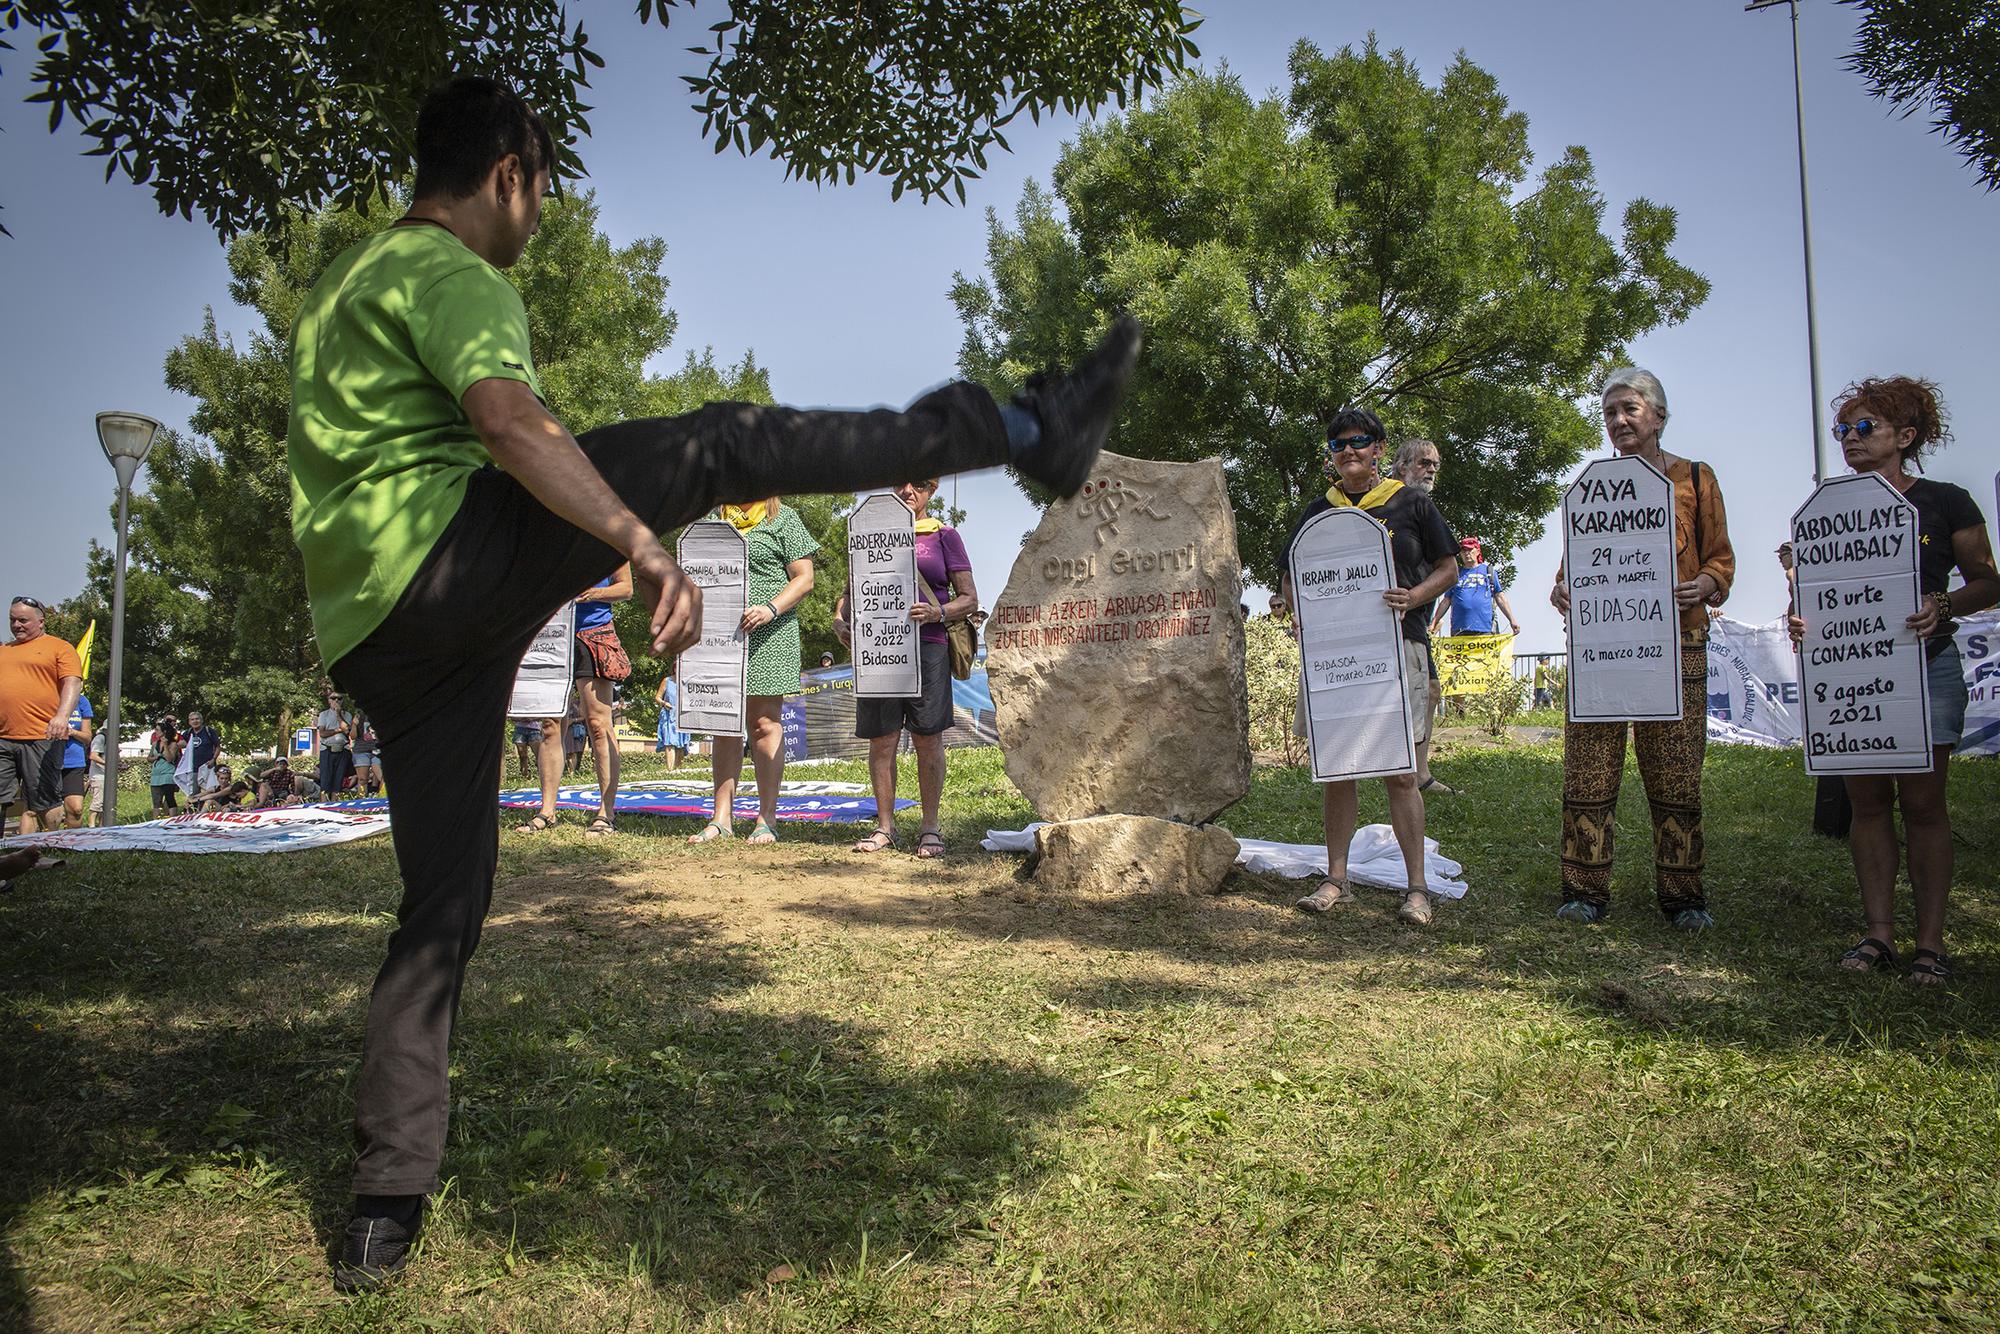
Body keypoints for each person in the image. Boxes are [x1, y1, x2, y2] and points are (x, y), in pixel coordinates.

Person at [288, 76, 1136, 1292]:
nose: (538, 223)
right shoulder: (452, 272)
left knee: (443, 901)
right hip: (440, 561)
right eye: (541, 193)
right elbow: (511, 422)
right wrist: (636, 538)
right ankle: (1021, 429)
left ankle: (384, 1198)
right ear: (508, 172)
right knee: (722, 443)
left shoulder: (334, 291)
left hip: (380, 633)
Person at [1788, 377, 1998, 985]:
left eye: (1864, 428)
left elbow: (1988, 578)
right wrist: (1805, 620)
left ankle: (1929, 944)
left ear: (1904, 437)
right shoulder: (1829, 509)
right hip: (1852, 677)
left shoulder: (1946, 500)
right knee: (1867, 803)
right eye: (1842, 430)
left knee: (1925, 805)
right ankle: (1879, 933)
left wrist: (1945, 605)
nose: (1850, 440)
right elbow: (1819, 595)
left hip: (1924, 669)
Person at [1551, 366, 1735, 930]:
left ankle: (1683, 897)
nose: (1619, 420)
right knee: (1589, 770)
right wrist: (1562, 589)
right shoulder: (1593, 489)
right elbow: (1574, 567)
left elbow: (1720, 560)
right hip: (1602, 652)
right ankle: (1584, 890)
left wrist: (1705, 584)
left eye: (1630, 409)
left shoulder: (1694, 479)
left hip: (1679, 644)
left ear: (1658, 416)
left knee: (1676, 773)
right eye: (1610, 412)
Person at [1280, 410, 1459, 926]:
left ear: (1380, 449)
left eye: (1359, 441)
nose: (1349, 450)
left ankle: (1418, 888)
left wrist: (1415, 595)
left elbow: (1449, 567)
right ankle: (1337, 879)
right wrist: (1295, 608)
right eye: (1338, 444)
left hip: (1398, 646)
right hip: (1335, 655)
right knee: (1339, 768)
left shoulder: (1411, 502)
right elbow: (1291, 573)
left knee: (1402, 772)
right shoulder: (1319, 509)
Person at [833, 479, 974, 860]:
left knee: (928, 738)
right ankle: (885, 827)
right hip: (879, 649)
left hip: (928, 648)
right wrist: (840, 622)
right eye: (902, 483)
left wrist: (937, 612)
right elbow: (848, 593)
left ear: (933, 490)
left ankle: (930, 828)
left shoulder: (945, 535)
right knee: (882, 739)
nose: (910, 490)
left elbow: (969, 598)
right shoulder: (869, 533)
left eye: (921, 484)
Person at [688, 500, 818, 846]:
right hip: (718, 638)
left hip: (770, 634)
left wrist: (770, 609)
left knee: (764, 723)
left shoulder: (783, 518)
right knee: (723, 724)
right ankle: (721, 819)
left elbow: (805, 578)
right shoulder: (712, 520)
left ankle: (767, 818)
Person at [514, 567, 632, 834]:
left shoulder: (611, 538)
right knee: (549, 724)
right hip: (552, 636)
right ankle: (547, 811)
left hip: (593, 635)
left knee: (598, 725)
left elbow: (626, 589)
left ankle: (606, 812)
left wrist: (594, 593)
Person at [1391, 438, 1453, 795]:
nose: (1430, 470)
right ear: (1401, 466)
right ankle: (1408, 773)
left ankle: (1419, 772)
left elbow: (1446, 566)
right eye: (1423, 463)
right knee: (1421, 690)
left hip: (1413, 612)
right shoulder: (1388, 504)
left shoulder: (1422, 507)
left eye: (1434, 465)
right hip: (1395, 614)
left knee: (1430, 689)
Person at [1, 597, 84, 837]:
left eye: (23, 620)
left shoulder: (59, 647)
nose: (17, 625)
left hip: (41, 736)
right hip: (3, 737)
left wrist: (62, 716)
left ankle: (53, 843)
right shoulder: (4, 650)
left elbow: (72, 682)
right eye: (12, 620)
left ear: (40, 621)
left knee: (44, 799)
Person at [1432, 538, 1521, 639]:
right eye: (1463, 551)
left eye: (1470, 550)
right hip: (1459, 630)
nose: (1466, 553)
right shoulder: (1455, 574)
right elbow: (1446, 600)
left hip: (1485, 630)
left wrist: (1512, 620)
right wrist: (1434, 622)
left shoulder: (1488, 571)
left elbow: (1499, 597)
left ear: (1477, 551)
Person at [48, 692, 93, 829]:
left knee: (76, 809)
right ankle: (47, 845)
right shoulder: (46, 695)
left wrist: (72, 732)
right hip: (46, 760)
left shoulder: (82, 701)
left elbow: (87, 737)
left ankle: (71, 847)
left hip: (73, 761)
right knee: (43, 811)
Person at [654, 671, 689, 769]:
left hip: (683, 715)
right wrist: (664, 703)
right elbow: (657, 697)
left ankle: (678, 770)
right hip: (669, 715)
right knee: (669, 742)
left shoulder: (687, 681)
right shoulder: (667, 680)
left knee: (681, 744)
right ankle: (670, 770)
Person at [148, 719, 182, 818]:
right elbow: (149, 758)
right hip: (156, 775)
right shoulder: (155, 744)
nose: (156, 732)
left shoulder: (173, 744)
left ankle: (172, 819)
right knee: (156, 801)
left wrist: (165, 746)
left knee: (169, 798)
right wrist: (155, 757)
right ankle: (155, 821)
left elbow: (169, 758)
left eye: (158, 730)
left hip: (167, 774)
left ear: (164, 732)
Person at [184, 710, 223, 793]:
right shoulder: (187, 733)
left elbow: (218, 747)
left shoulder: (209, 731)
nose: (195, 721)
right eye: (192, 719)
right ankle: (195, 806)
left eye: (197, 719)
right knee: (193, 793)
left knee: (210, 791)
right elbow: (179, 744)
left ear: (201, 720)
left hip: (207, 766)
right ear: (189, 722)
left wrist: (214, 759)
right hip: (193, 768)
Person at [351, 712, 382, 796]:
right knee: (363, 779)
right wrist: (354, 724)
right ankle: (361, 803)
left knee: (382, 777)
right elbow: (352, 737)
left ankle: (383, 800)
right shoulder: (359, 715)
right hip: (361, 750)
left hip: (377, 750)